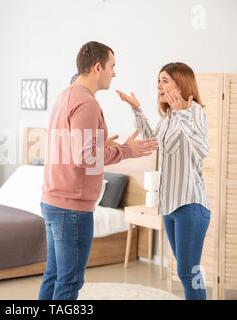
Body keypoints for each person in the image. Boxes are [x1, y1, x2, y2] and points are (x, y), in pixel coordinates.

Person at [39, 41, 159, 300]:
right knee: (69, 282)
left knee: (54, 275)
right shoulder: (87, 103)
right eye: (112, 66)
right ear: (97, 67)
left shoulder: (65, 95)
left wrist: (102, 144)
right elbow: (85, 158)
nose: (114, 73)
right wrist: (128, 151)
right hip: (71, 207)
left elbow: (70, 146)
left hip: (53, 200)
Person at [116, 62, 210, 300]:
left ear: (181, 84)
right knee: (186, 271)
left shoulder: (194, 111)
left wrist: (183, 114)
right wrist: (137, 110)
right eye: (158, 80)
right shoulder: (168, 117)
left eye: (165, 80)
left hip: (190, 204)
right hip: (170, 206)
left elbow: (202, 149)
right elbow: (151, 142)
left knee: (188, 272)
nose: (158, 85)